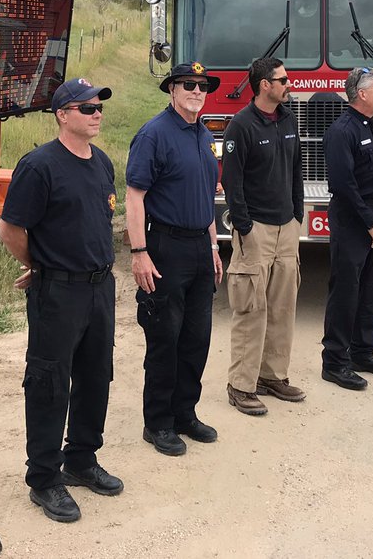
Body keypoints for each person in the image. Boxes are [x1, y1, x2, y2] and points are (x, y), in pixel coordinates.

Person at [0, 78, 122, 524]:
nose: (96, 114)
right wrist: (42, 264)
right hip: (59, 291)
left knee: (95, 374)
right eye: (86, 108)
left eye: (99, 108)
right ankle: (45, 478)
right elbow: (11, 230)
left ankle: (81, 460)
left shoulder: (102, 162)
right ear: (62, 115)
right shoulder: (39, 166)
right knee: (50, 382)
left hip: (99, 287)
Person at [125, 62, 224, 457]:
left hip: (201, 245)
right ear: (171, 89)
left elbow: (205, 195)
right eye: (188, 85)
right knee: (164, 339)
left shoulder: (202, 133)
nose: (197, 91)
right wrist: (138, 253)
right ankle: (159, 423)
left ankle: (185, 413)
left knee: (197, 337)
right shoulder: (153, 134)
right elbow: (135, 198)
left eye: (202, 86)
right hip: (164, 247)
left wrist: (214, 246)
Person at [220, 57, 306, 416]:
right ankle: (241, 384)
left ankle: (272, 375)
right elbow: (232, 182)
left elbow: (296, 170)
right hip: (255, 229)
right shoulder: (240, 126)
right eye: (282, 79)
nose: (289, 84)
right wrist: (244, 226)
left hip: (287, 228)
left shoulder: (287, 119)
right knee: (251, 307)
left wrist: (297, 216)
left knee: (283, 307)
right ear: (264, 85)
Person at [320, 67, 373, 391]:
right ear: (362, 94)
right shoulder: (342, 131)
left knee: (370, 291)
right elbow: (343, 185)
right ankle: (335, 362)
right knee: (345, 292)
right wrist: (370, 224)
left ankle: (363, 353)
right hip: (352, 220)